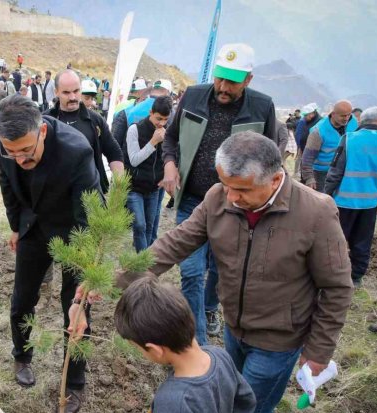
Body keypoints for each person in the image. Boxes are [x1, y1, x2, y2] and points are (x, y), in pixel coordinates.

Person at [90, 131, 351, 413]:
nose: (231, 196)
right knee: (230, 395)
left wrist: (319, 350)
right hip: (234, 326)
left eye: (241, 190)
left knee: (255, 411)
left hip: (280, 337)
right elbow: (174, 243)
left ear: (275, 179)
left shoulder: (315, 213)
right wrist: (116, 280)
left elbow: (336, 287)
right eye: (225, 185)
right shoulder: (218, 198)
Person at [159, 43, 277, 344]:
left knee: (220, 268)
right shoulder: (194, 96)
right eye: (220, 79)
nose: (223, 87)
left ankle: (210, 307)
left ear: (248, 80)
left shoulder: (262, 107)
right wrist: (170, 165)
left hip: (235, 204)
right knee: (192, 271)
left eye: (232, 82)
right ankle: (196, 342)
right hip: (192, 200)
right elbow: (171, 138)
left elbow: (270, 156)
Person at [0, 95, 102, 413]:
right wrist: (15, 225)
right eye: (10, 152)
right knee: (23, 299)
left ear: (41, 130)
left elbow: (89, 215)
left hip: (72, 232)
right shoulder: (5, 141)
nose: (19, 159)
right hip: (32, 229)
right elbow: (7, 183)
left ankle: (75, 381)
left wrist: (86, 271)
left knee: (75, 305)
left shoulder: (76, 150)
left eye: (26, 151)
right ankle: (22, 355)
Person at [115, 278, 255, 413]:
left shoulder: (174, 410)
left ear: (155, 349)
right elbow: (246, 403)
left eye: (138, 349)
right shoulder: (219, 356)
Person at [323, 107, 377, 287]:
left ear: (361, 120)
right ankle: (355, 277)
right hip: (370, 203)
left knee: (336, 241)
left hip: (343, 202)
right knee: (362, 242)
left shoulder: (349, 139)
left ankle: (331, 276)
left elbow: (335, 172)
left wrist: (325, 195)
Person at [45, 69, 123, 194]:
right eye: (66, 92)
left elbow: (114, 152)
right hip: (57, 197)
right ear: (56, 92)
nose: (72, 97)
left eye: (76, 91)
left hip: (92, 196)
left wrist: (120, 187)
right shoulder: (45, 121)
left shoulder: (95, 120)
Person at [125, 96, 172, 252]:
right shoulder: (135, 129)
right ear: (151, 112)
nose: (161, 123)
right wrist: (153, 142)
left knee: (150, 227)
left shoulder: (167, 130)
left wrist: (166, 174)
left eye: (165, 119)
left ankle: (147, 263)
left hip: (154, 188)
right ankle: (143, 265)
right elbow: (134, 160)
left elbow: (169, 156)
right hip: (135, 187)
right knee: (139, 225)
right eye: (158, 118)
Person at [301, 100, 358, 192]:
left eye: (349, 115)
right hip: (322, 174)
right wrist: (309, 178)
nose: (347, 118)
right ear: (333, 114)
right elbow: (307, 158)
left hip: (345, 171)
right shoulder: (318, 131)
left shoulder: (353, 122)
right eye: (343, 116)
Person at [294, 103, 320, 179]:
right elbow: (298, 135)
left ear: (312, 114)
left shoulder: (319, 122)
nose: (304, 117)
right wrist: (299, 147)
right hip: (303, 147)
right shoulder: (304, 121)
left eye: (306, 115)